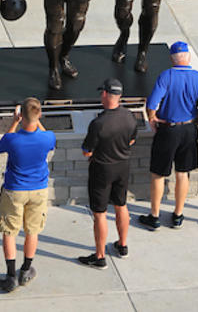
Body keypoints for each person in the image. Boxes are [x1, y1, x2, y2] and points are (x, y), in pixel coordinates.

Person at [139, 42, 198, 230]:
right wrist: (197, 114)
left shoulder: (166, 76)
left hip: (168, 130)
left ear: (172, 59)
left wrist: (152, 118)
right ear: (188, 57)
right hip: (188, 130)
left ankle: (154, 216)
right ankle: (178, 215)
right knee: (182, 173)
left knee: (158, 173)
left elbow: (152, 103)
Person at [0, 97, 56, 292]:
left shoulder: (12, 140)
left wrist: (14, 122)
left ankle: (10, 276)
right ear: (39, 115)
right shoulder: (47, 137)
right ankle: (26, 270)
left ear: (21, 116)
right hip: (38, 190)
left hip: (14, 190)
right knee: (32, 231)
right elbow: (49, 140)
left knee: (9, 232)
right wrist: (36, 120)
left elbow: (0, 146)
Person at [78, 79, 137, 268]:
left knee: (100, 213)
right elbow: (131, 141)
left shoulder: (98, 123)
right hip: (123, 166)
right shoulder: (129, 116)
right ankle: (122, 245)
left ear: (105, 94)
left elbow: (87, 151)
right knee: (121, 204)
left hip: (102, 170)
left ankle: (100, 256)